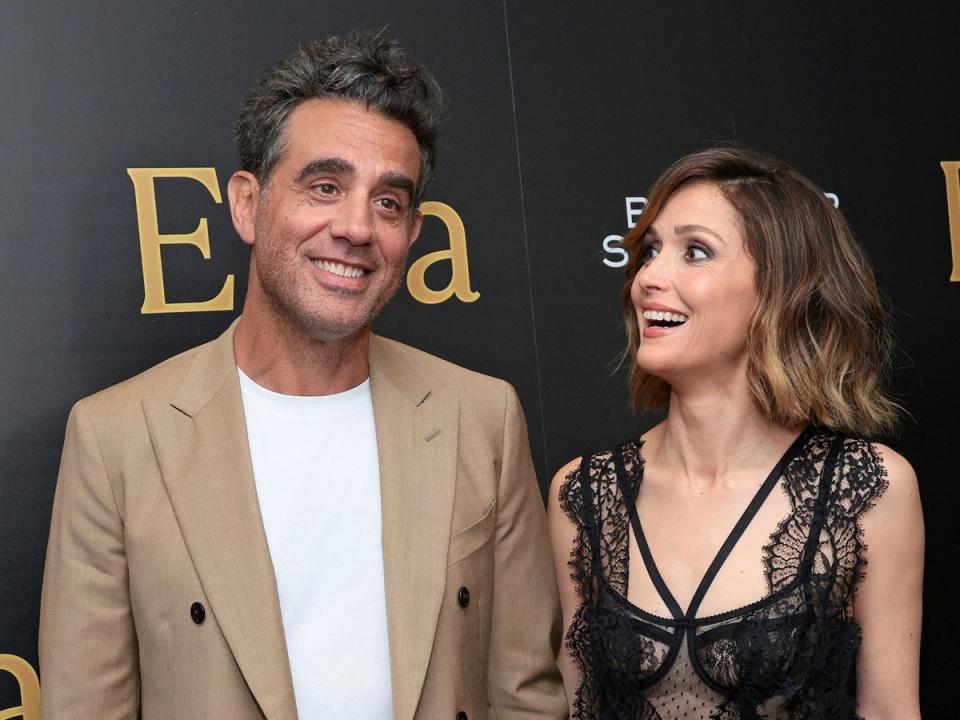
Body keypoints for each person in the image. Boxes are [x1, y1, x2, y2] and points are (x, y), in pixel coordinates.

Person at [39, 32, 566, 720]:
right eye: (325, 186)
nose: (356, 227)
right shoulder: (116, 438)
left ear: (412, 232)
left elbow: (524, 693)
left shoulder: (481, 415)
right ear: (247, 204)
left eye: (389, 202)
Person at [548, 147, 923, 719]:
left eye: (695, 251)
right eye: (650, 250)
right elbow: (575, 708)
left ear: (778, 291)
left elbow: (890, 713)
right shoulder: (585, 493)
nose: (650, 276)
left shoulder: (870, 488)